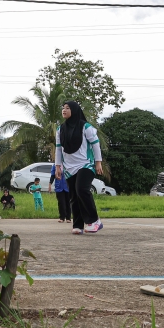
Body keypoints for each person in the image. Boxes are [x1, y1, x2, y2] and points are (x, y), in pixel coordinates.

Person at [55, 101, 104, 235]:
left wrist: (98, 162)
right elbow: (58, 149)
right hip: (69, 167)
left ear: (75, 110)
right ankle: (78, 225)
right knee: (74, 196)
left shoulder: (86, 127)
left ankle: (94, 221)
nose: (64, 110)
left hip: (86, 164)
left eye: (67, 108)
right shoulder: (60, 129)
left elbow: (95, 144)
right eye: (63, 108)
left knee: (81, 189)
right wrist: (57, 166)